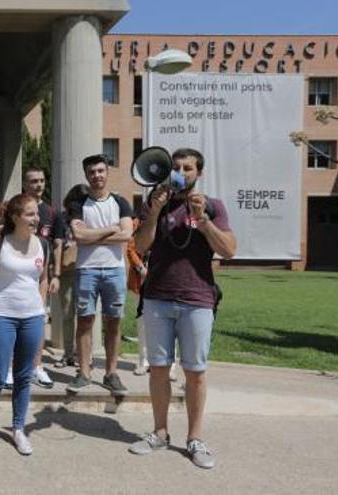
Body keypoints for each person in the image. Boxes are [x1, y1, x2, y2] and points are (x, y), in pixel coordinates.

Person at [129, 148, 236, 469]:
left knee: (196, 372)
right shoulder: (155, 203)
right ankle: (160, 432)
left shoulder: (213, 206)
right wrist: (156, 210)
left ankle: (195, 438)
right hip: (158, 297)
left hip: (198, 299)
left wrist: (203, 221)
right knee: (159, 369)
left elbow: (229, 250)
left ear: (198, 173)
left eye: (187, 168)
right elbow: (140, 245)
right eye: (176, 167)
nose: (180, 172)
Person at [0, 193, 50, 460]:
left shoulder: (43, 244)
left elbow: (43, 279)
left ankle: (18, 428)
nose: (35, 218)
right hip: (1, 315)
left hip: (32, 318)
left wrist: (41, 307)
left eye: (36, 213)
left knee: (24, 377)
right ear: (16, 217)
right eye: (30, 214)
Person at [66, 154, 133, 397]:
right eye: (92, 172)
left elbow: (127, 235)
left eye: (101, 171)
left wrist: (93, 235)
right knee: (84, 321)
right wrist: (111, 229)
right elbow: (79, 237)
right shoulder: (78, 205)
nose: (97, 176)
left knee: (113, 322)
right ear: (86, 175)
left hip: (114, 270)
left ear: (107, 172)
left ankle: (111, 373)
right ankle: (83, 373)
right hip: (86, 270)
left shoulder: (121, 202)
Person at [20, 167, 65, 388]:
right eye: (33, 181)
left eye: (42, 180)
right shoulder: (14, 207)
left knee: (38, 321)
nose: (38, 184)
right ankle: (14, 367)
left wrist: (56, 274)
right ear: (24, 184)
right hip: (16, 277)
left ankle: (37, 366)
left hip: (41, 278)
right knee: (16, 321)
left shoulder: (52, 213)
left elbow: (57, 245)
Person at [52, 184, 89, 369]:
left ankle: (85, 357)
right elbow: (57, 245)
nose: (81, 205)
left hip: (88, 270)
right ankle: (68, 354)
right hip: (67, 271)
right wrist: (56, 274)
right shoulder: (62, 217)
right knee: (67, 314)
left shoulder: (91, 215)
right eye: (78, 200)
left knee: (86, 315)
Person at [126, 217, 149, 376]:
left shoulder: (172, 218)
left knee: (169, 325)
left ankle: (170, 365)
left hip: (166, 283)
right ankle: (143, 360)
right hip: (141, 283)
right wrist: (142, 268)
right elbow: (130, 247)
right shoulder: (139, 222)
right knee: (143, 324)